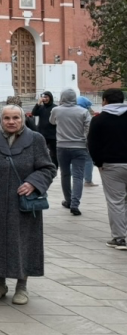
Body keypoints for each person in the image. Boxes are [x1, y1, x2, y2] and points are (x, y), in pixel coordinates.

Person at [0, 105, 56, 305]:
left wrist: (33, 183)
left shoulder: (35, 139)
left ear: (22, 119)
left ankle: (22, 286)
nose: (11, 122)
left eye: (15, 118)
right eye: (6, 118)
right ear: (0, 120)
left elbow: (47, 168)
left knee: (24, 244)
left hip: (23, 205)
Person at [87, 89, 127, 250]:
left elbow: (92, 144)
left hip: (111, 165)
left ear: (104, 100)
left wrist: (98, 162)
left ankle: (119, 238)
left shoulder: (99, 120)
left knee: (116, 201)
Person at [50, 88, 91, 216]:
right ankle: (75, 204)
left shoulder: (56, 110)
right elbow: (89, 127)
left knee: (65, 174)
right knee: (78, 176)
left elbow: (51, 121)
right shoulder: (83, 111)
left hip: (62, 145)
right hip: (79, 146)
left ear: (62, 97)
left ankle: (67, 200)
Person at [31, 91, 58, 164]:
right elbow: (33, 113)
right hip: (42, 133)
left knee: (54, 153)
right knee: (41, 151)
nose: (44, 99)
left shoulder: (55, 107)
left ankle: (55, 167)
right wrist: (38, 103)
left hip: (52, 134)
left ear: (50, 98)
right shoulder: (41, 107)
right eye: (43, 97)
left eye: (46, 97)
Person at [77, 96, 97, 186]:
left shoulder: (69, 112)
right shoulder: (85, 112)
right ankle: (88, 181)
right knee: (88, 159)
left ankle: (75, 178)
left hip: (70, 141)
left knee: (74, 160)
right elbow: (89, 127)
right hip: (84, 139)